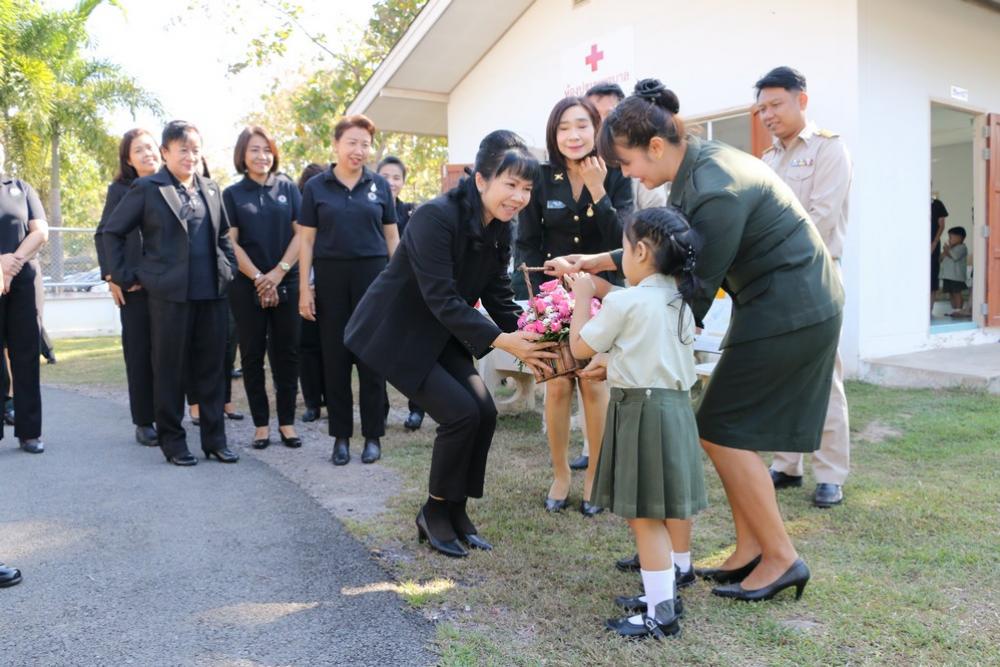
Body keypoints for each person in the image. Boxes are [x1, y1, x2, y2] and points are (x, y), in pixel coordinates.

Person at [547, 79, 843, 602]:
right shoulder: (698, 165)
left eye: (626, 162)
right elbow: (670, 249)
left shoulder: (714, 188)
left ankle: (781, 557)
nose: (627, 173)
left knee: (723, 430)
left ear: (655, 145)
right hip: (776, 303)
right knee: (728, 428)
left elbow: (687, 293)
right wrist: (596, 262)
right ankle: (750, 549)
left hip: (792, 307)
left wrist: (618, 352)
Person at [345, 130, 557, 558]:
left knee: (484, 412)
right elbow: (440, 296)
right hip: (398, 332)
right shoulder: (435, 217)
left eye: (526, 188)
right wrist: (506, 342)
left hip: (441, 331)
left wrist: (541, 338)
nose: (519, 197)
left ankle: (456, 510)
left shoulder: (501, 226)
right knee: (460, 414)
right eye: (510, 185)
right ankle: (434, 512)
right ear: (480, 179)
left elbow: (498, 294)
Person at [566, 206, 707, 638]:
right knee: (658, 513)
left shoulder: (624, 301)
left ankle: (661, 614)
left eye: (624, 248)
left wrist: (583, 296)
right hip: (675, 411)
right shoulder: (680, 303)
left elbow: (580, 348)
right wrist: (616, 364)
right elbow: (656, 355)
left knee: (646, 518)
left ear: (641, 252)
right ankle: (664, 592)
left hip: (642, 413)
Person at [516, 96, 633, 517]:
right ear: (554, 133)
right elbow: (526, 242)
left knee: (593, 382)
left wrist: (599, 189)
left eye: (582, 125)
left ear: (596, 129)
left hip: (602, 293)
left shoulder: (617, 173)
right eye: (564, 127)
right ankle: (561, 474)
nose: (573, 135)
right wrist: (534, 300)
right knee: (558, 383)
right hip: (553, 298)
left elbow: (625, 242)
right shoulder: (540, 177)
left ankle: (595, 476)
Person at [103, 120, 240, 467]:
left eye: (195, 150)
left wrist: (228, 269)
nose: (190, 156)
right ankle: (173, 442)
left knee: (212, 370)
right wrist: (125, 276)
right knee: (169, 370)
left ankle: (215, 440)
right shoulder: (148, 188)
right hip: (168, 296)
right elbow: (111, 232)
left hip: (211, 294)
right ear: (165, 152)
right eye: (182, 150)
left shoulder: (211, 188)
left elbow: (224, 235)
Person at [756, 66, 853, 509]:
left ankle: (830, 474)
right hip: (775, 278)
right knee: (781, 372)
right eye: (762, 108)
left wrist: (765, 250)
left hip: (816, 274)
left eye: (775, 104)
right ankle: (787, 464)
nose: (768, 115)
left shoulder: (829, 150)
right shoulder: (767, 160)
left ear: (802, 100)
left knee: (822, 376)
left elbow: (821, 218)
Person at [574, 81, 667, 475]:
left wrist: (599, 190)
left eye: (609, 116)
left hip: (633, 284)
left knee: (627, 373)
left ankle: (625, 450)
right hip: (594, 278)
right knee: (592, 372)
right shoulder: (579, 165)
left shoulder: (634, 170)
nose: (602, 125)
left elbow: (633, 240)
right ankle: (592, 444)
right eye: (593, 117)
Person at [298, 115, 400, 466]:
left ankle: (373, 436)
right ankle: (340, 437)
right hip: (330, 280)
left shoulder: (379, 185)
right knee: (335, 359)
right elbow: (306, 241)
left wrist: (399, 283)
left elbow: (392, 238)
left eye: (365, 144)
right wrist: (304, 288)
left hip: (373, 279)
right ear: (336, 144)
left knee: (372, 359)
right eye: (352, 142)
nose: (359, 150)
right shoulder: (316, 187)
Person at [225, 126, 303, 450]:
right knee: (252, 353)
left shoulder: (288, 188)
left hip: (287, 280)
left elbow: (302, 235)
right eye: (255, 150)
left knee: (287, 353)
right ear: (243, 155)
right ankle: (261, 424)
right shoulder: (232, 194)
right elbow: (231, 243)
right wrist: (259, 278)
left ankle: (286, 422)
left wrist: (278, 273)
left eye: (267, 149)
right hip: (247, 286)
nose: (262, 156)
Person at [94, 128, 161, 448]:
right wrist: (113, 277)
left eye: (150, 147)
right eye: (139, 150)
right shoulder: (120, 190)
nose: (147, 153)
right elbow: (104, 234)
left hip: (171, 284)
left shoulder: (173, 185)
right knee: (139, 353)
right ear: (129, 159)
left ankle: (171, 414)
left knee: (171, 353)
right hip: (134, 286)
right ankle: (144, 421)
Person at [0, 139, 48, 454]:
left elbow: (40, 231)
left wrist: (10, 263)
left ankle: (30, 432)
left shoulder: (21, 188)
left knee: (26, 355)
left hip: (24, 281)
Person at [377, 155, 426, 431]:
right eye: (385, 177)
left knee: (413, 351)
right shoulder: (370, 211)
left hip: (409, 290)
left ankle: (417, 409)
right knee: (379, 351)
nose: (391, 183)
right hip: (378, 289)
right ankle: (380, 409)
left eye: (396, 177)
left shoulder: (412, 213)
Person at [295, 163, 326, 422]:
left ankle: (331, 399)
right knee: (307, 349)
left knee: (332, 349)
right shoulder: (299, 219)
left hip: (330, 288)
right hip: (304, 288)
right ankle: (312, 403)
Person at [940, 226, 968, 315]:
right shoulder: (950, 249)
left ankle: (959, 310)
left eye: (951, 237)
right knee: (951, 293)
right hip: (947, 275)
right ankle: (954, 309)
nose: (949, 239)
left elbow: (955, 256)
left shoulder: (962, 247)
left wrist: (947, 250)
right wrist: (945, 251)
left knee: (956, 293)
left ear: (960, 238)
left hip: (956, 276)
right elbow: (940, 259)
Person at [931, 197, 948, 309]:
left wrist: (934, 243)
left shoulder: (937, 204)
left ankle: (929, 308)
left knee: (932, 275)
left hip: (933, 244)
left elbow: (941, 226)